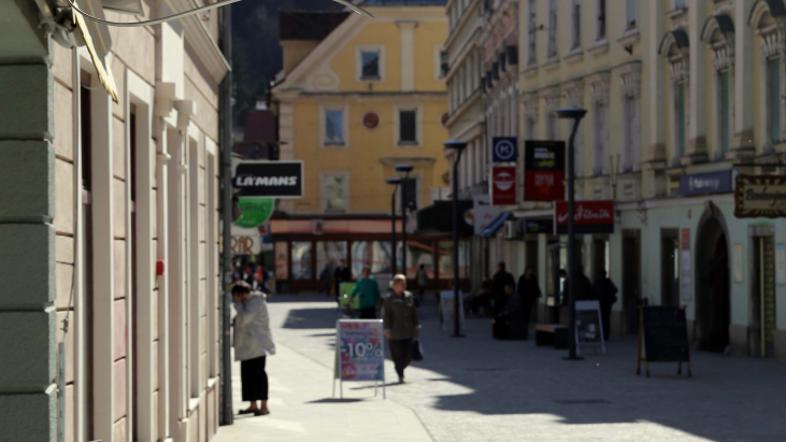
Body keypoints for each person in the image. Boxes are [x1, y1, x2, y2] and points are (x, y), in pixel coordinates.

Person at [231, 281, 275, 416]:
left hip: (257, 345)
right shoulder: (246, 302)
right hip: (247, 346)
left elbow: (245, 318)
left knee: (258, 376)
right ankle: (253, 405)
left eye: (236, 296)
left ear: (241, 294)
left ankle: (264, 406)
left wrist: (238, 304)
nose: (235, 299)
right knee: (247, 377)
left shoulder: (256, 301)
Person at [383, 274, 420, 384]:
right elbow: (386, 315)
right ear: (394, 285)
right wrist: (387, 329)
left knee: (408, 355)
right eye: (399, 284)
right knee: (397, 355)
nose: (401, 286)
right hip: (395, 332)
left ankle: (400, 367)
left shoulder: (409, 296)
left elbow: (413, 311)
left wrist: (416, 325)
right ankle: (400, 374)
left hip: (408, 331)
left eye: (403, 284)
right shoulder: (389, 299)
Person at [516, 265, 542, 340]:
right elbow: (519, 288)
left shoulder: (533, 278)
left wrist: (538, 293)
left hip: (530, 299)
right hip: (523, 299)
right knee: (523, 314)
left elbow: (536, 286)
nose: (530, 271)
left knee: (527, 314)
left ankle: (525, 329)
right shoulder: (522, 278)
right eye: (529, 270)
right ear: (526, 270)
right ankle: (523, 330)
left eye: (531, 270)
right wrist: (519, 296)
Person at [593, 269, 618, 339]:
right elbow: (615, 290)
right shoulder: (608, 282)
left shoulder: (597, 282)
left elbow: (593, 291)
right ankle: (606, 334)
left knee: (601, 319)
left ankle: (602, 334)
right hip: (607, 304)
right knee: (606, 319)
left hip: (600, 304)